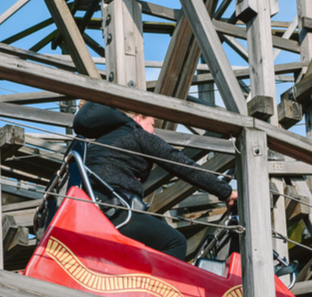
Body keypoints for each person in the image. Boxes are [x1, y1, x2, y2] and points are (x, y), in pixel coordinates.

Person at [71, 102, 237, 261]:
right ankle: (160, 282)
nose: (154, 132)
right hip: (113, 212)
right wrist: (226, 193)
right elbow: (183, 166)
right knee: (175, 242)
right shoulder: (137, 133)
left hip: (88, 211)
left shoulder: (102, 142)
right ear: (138, 119)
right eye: (152, 125)